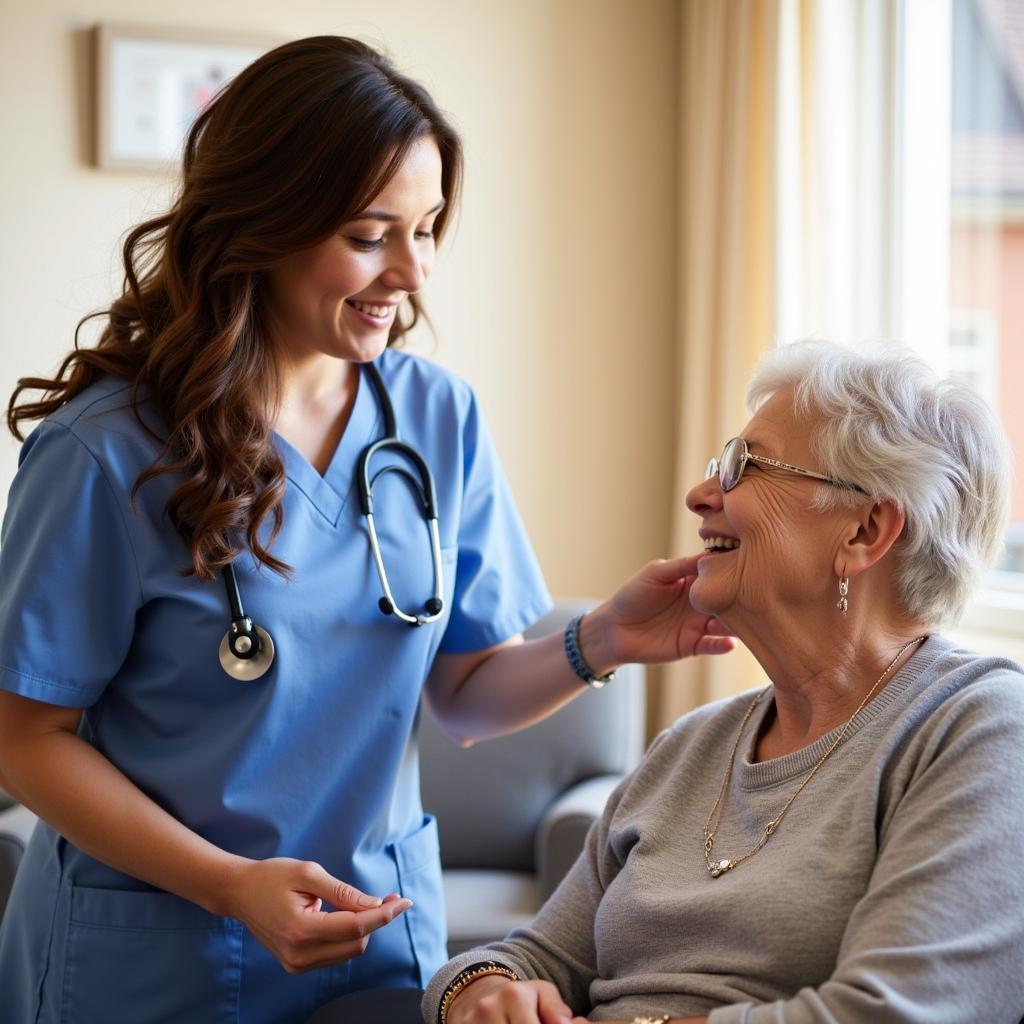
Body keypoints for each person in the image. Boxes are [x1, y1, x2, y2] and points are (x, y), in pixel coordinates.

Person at [0, 36, 734, 1024]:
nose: (412, 271)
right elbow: (24, 738)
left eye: (427, 229)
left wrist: (600, 639)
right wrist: (228, 885)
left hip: (377, 939)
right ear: (262, 222)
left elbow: (463, 696)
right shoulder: (106, 452)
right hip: (157, 952)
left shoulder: (435, 418)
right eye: (368, 233)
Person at [424, 340, 1024, 1024]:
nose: (700, 494)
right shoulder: (692, 746)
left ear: (865, 528)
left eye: (743, 467)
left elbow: (892, 1014)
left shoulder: (979, 728)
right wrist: (473, 995)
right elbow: (528, 957)